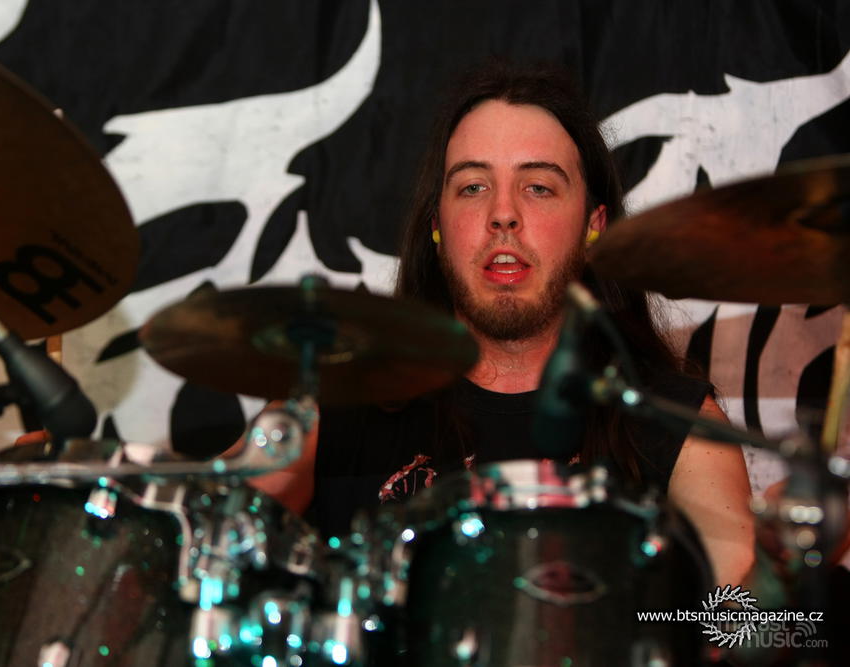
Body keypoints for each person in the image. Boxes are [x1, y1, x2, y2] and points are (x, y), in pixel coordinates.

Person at [243, 59, 754, 588]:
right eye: (472, 187)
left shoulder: (676, 423)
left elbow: (736, 614)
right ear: (437, 227)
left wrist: (778, 573)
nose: (503, 213)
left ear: (593, 227)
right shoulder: (337, 398)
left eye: (538, 187)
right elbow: (212, 526)